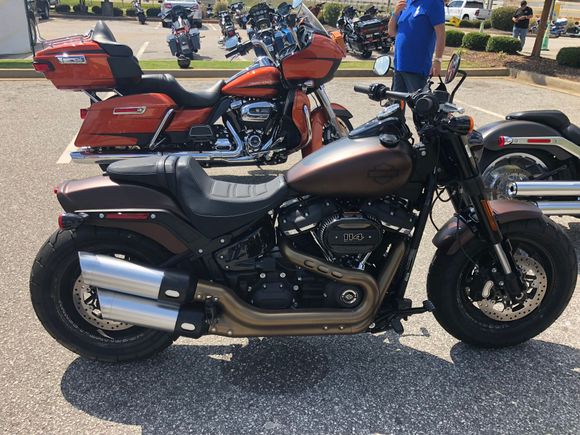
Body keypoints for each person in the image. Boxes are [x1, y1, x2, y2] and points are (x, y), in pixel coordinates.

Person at [387, 0, 446, 93]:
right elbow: (392, 32)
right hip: (399, 66)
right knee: (396, 101)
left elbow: (441, 34)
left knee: (418, 101)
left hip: (417, 68)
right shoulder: (406, 3)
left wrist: (438, 60)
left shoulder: (434, 2)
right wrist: (395, 13)